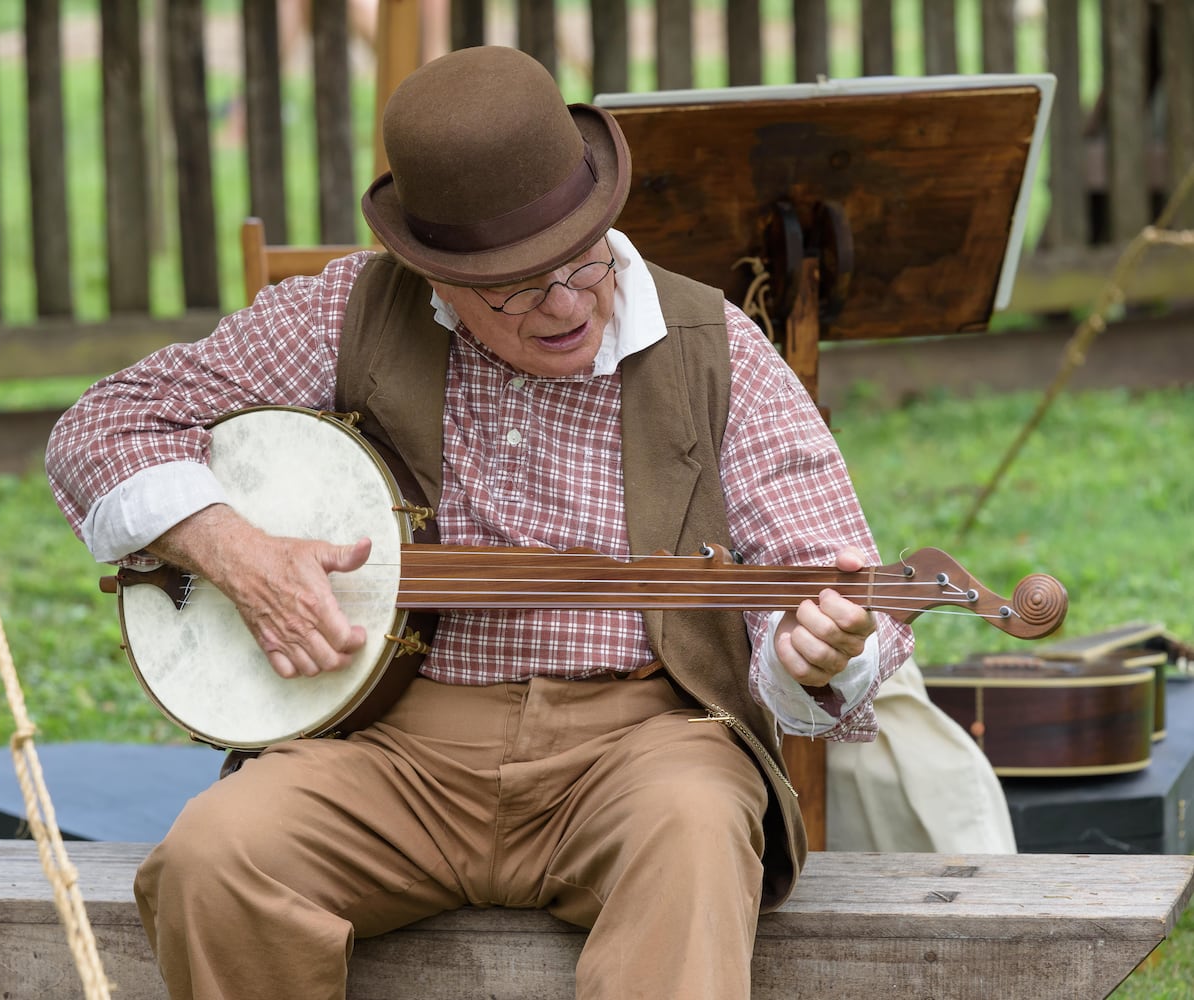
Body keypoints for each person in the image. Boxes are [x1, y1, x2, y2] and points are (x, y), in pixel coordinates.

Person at [47, 45, 912, 1000]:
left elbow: (825, 573)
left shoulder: (714, 347)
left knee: (695, 829)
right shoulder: (349, 309)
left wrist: (812, 655)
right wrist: (237, 552)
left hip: (640, 744)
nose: (564, 305)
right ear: (436, 274)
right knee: (216, 858)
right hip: (386, 749)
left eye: (581, 266)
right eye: (513, 286)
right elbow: (101, 426)